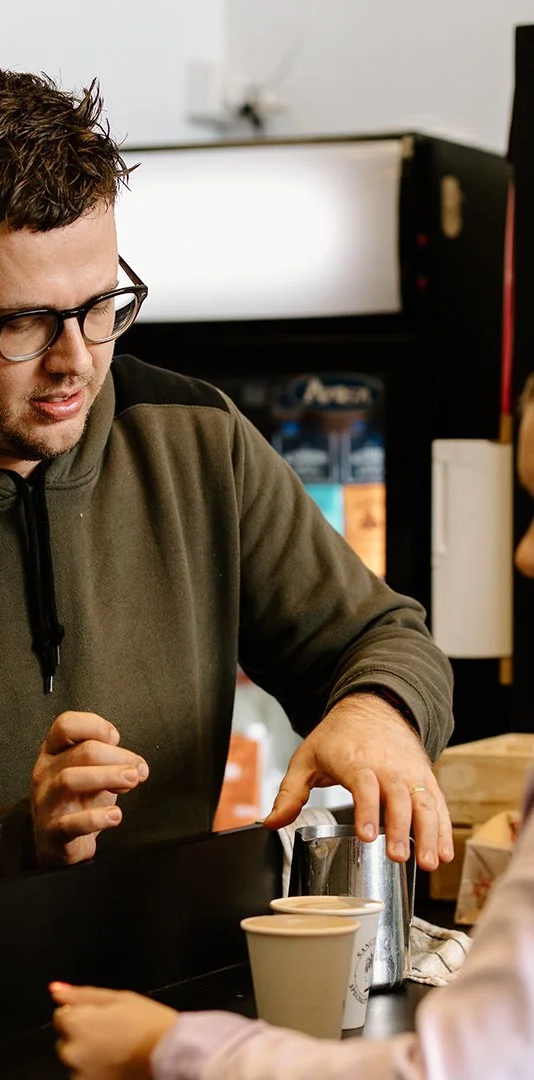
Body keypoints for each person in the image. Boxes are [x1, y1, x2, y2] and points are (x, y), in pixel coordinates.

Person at [0, 67, 455, 916]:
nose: (77, 361)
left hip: (164, 986)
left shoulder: (196, 438)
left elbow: (381, 635)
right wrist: (11, 837)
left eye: (101, 306)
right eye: (22, 323)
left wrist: (378, 710)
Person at [50, 370, 534, 1080]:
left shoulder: (197, 434)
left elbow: (462, 1069)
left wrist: (168, 1048)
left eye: (101, 315)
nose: (523, 553)